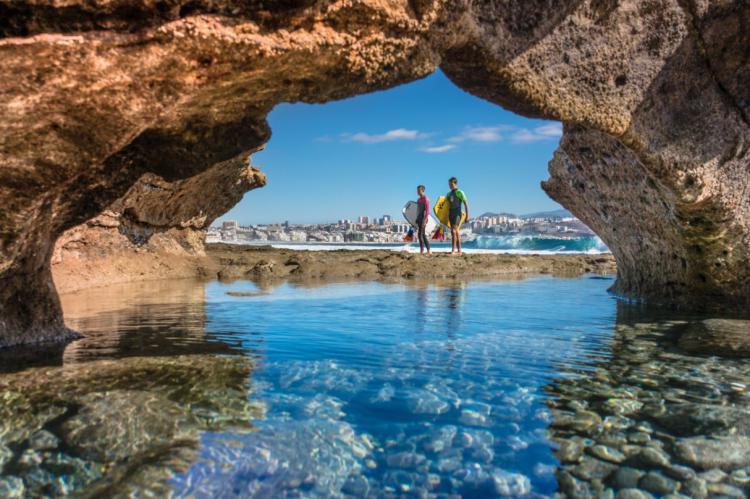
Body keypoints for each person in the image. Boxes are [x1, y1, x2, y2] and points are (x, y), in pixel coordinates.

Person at [446, 177, 469, 255]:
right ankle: (459, 250)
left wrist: (467, 216)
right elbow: (445, 205)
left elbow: (466, 204)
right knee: (455, 232)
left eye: (451, 184)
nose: (449, 185)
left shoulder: (460, 192)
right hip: (451, 213)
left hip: (457, 213)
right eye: (449, 184)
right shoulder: (448, 194)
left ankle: (453, 250)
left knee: (454, 230)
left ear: (455, 183)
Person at [416, 185, 431, 255]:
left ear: (423, 190)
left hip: (423, 218)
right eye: (417, 190)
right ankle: (428, 250)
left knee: (420, 234)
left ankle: (422, 250)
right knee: (423, 235)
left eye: (419, 190)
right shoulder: (418, 200)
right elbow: (418, 210)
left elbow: (427, 211)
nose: (417, 192)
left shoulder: (426, 199)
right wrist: (416, 218)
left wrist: (425, 220)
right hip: (419, 218)